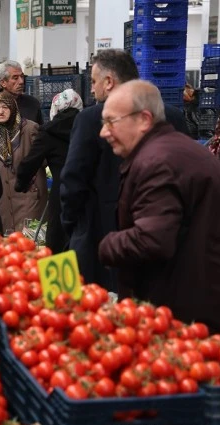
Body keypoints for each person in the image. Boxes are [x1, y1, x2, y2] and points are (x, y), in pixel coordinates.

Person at [98, 80, 220, 333]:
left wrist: (106, 245)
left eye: (111, 121)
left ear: (144, 119)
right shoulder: (178, 149)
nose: (104, 132)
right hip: (203, 300)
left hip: (182, 315)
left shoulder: (157, 162)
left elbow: (152, 240)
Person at [60, 49, 190, 291]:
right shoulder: (173, 117)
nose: (92, 89)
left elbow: (72, 181)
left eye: (94, 81)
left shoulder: (90, 119)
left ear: (109, 82)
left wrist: (73, 227)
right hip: (162, 244)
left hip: (99, 240)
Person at [15, 89, 83, 253]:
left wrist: (21, 184)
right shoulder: (87, 126)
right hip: (87, 190)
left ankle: (62, 277)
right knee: (82, 239)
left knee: (58, 242)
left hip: (62, 193)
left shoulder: (48, 132)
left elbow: (29, 162)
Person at [0, 92, 44, 234]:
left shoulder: (29, 129)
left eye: (5, 107)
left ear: (13, 108)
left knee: (30, 240)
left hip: (28, 195)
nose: (1, 111)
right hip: (4, 200)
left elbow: (42, 159)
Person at [0, 61, 43, 136]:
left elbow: (41, 135)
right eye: (15, 78)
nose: (21, 81)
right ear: (3, 83)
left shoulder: (32, 103)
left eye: (22, 76)